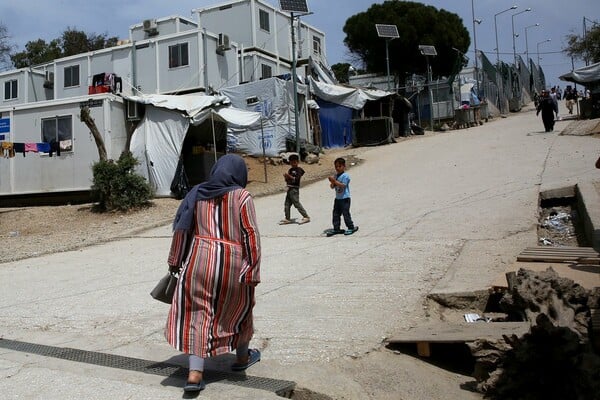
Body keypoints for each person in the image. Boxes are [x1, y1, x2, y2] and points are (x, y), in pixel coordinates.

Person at [165, 154, 262, 393]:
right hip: (232, 263)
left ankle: (195, 374)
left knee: (199, 315)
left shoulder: (197, 193)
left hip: (198, 261)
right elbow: (251, 235)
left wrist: (175, 260)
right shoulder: (242, 196)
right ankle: (241, 358)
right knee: (241, 308)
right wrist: (252, 270)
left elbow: (182, 229)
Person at [327, 157, 358, 235]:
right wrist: (332, 182)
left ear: (344, 166)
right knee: (335, 214)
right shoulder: (336, 176)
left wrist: (334, 181)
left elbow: (343, 185)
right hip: (338, 199)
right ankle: (336, 228)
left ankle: (350, 227)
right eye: (336, 166)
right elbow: (332, 187)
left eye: (339, 166)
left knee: (345, 213)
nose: (337, 168)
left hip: (345, 198)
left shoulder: (345, 176)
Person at [279, 153, 310, 225]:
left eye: (294, 162)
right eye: (291, 162)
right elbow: (288, 181)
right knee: (287, 204)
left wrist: (289, 176)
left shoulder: (299, 170)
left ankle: (306, 216)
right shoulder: (290, 170)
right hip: (289, 188)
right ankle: (287, 218)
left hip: (294, 190)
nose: (293, 164)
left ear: (297, 162)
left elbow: (296, 179)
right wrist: (286, 177)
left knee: (296, 203)